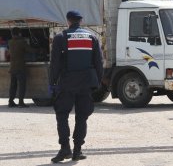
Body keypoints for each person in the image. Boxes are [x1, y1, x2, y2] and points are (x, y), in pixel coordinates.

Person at [49, 10, 103, 163]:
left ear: (68, 21)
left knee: (62, 115)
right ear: (81, 20)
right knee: (81, 117)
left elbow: (55, 63)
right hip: (86, 83)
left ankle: (65, 148)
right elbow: (99, 62)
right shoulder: (92, 37)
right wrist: (98, 82)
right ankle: (77, 150)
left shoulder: (61, 37)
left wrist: (52, 82)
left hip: (67, 83)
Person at [8, 27, 38, 108]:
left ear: (12, 34)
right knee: (22, 85)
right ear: (19, 33)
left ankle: (11, 102)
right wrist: (40, 50)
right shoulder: (22, 42)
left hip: (12, 67)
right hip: (20, 67)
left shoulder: (10, 42)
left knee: (13, 85)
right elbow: (30, 50)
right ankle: (21, 102)